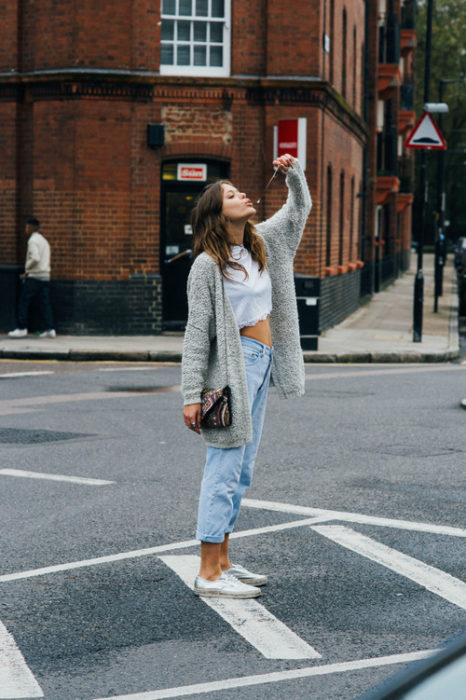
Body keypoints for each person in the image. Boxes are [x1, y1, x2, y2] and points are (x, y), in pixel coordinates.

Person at [181, 154, 312, 598]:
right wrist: (190, 394)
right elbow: (197, 333)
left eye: (239, 190)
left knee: (241, 470)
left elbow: (298, 211)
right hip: (232, 370)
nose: (242, 194)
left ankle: (224, 562)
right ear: (218, 213)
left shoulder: (261, 243)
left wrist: (294, 174)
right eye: (231, 194)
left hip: (263, 362)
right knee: (223, 466)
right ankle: (207, 572)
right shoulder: (206, 266)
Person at [8, 217, 56, 338]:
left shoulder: (33, 241)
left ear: (30, 227)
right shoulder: (44, 241)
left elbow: (35, 258)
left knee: (24, 301)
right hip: (45, 276)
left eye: (26, 227)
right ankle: (50, 329)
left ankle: (22, 328)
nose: (25, 229)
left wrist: (27, 269)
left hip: (35, 277)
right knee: (45, 304)